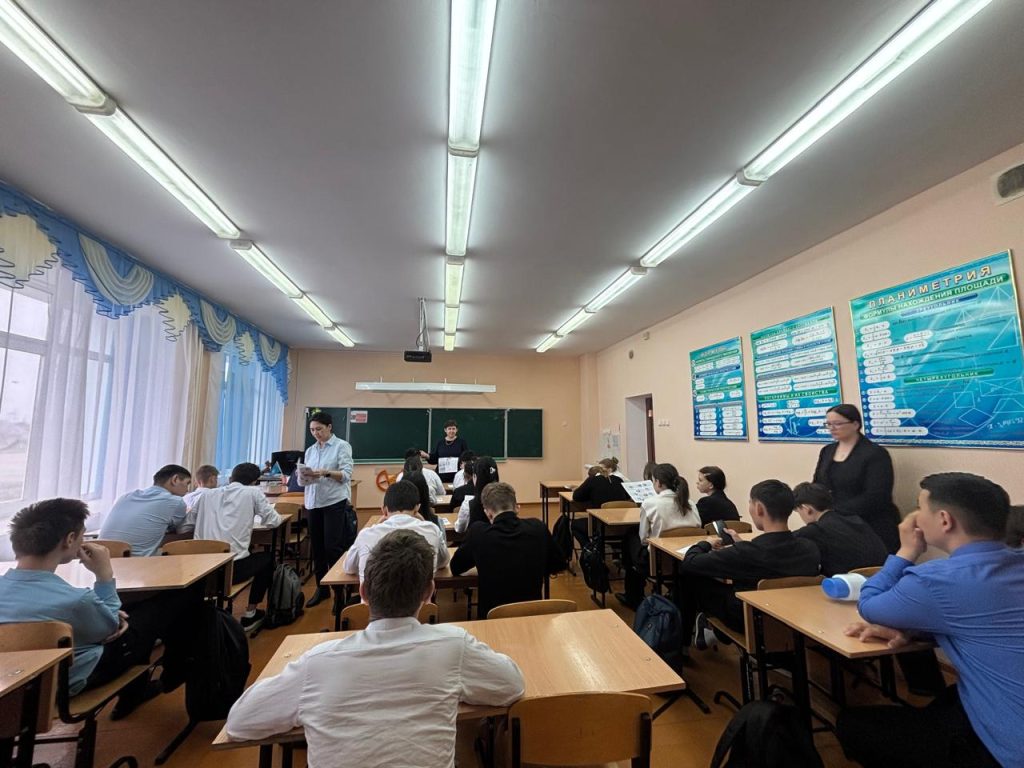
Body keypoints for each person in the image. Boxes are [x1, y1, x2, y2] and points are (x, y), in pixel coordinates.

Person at [225, 529, 524, 766]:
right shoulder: (453, 646)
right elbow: (512, 685)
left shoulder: (317, 662)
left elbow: (239, 723)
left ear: (363, 592)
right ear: (429, 593)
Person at [837, 473, 1023, 768]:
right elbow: (992, 626)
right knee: (949, 700)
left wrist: (906, 551)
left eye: (919, 508)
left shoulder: (936, 581)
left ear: (944, 520)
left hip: (1009, 752)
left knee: (852, 724)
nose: (915, 517)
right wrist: (916, 632)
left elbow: (869, 604)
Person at [0, 498, 200, 718]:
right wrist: (104, 576)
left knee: (136, 612)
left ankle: (140, 689)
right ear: (70, 539)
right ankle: (177, 672)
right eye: (83, 535)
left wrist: (106, 611)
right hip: (69, 682)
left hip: (12, 688)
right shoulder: (76, 601)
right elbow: (113, 630)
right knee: (178, 598)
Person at [678, 480, 820, 648]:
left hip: (749, 621)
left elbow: (690, 562)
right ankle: (712, 632)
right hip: (796, 620)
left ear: (759, 508)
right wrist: (740, 545)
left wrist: (705, 543)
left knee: (689, 576)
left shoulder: (748, 552)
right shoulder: (810, 548)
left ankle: (683, 643)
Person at [187, 462, 283, 632]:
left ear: (231, 478)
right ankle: (251, 613)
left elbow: (187, 524)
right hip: (231, 570)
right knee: (268, 558)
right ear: (255, 481)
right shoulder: (253, 492)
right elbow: (274, 521)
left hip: (199, 571)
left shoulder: (206, 495)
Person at [450, 482, 566, 618]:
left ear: (488, 513)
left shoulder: (478, 532)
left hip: (492, 619)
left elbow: (456, 567)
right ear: (517, 508)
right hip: (532, 617)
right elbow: (559, 563)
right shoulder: (538, 528)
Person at [813, 403, 900, 552]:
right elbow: (818, 483)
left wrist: (835, 512)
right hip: (837, 524)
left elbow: (877, 496)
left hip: (871, 525)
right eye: (829, 424)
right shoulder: (827, 451)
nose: (832, 428)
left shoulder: (875, 453)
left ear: (855, 424)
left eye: (837, 424)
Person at [616, 463, 701, 609]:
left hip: (659, 561)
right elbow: (698, 527)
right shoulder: (690, 503)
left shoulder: (650, 503)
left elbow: (644, 539)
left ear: (658, 483)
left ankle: (633, 594)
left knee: (631, 537)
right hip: (688, 558)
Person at [298, 411, 356, 607]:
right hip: (313, 502)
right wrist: (302, 477)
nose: (316, 433)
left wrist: (326, 473)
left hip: (334, 502)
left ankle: (339, 592)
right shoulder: (310, 450)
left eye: (319, 429)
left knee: (333, 547)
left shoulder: (341, 446)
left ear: (329, 427)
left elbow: (346, 475)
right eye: (312, 430)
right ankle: (321, 588)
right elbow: (306, 477)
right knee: (317, 548)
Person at [343, 480, 449, 581]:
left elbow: (349, 568)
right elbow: (443, 562)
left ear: (384, 510)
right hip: (421, 594)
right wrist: (424, 522)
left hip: (373, 594)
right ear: (417, 508)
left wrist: (377, 525)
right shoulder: (432, 530)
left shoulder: (366, 535)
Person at [791, 482, 886, 576]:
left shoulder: (816, 530)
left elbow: (786, 540)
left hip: (852, 582)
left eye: (799, 512)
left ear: (806, 509)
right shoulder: (855, 520)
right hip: (883, 576)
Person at [99, 464, 192, 556]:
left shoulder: (126, 496)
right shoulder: (176, 502)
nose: (187, 490)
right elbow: (179, 529)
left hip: (100, 559)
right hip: (135, 562)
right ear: (175, 479)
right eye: (187, 483)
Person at [571, 463, 631, 547]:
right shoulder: (618, 480)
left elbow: (576, 497)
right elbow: (627, 496)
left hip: (601, 525)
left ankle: (589, 548)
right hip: (623, 526)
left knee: (575, 524)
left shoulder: (592, 480)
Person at [456, 455, 499, 534]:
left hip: (476, 540)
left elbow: (459, 529)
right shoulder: (504, 502)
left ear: (475, 477)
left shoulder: (468, 504)